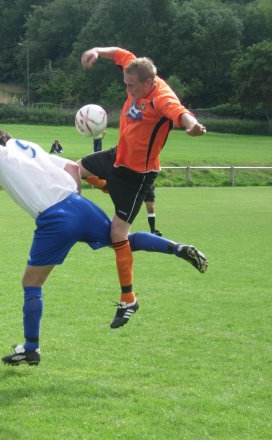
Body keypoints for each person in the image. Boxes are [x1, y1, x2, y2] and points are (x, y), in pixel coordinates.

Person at [0, 114, 208, 366]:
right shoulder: (32, 148)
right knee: (120, 240)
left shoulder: (0, 152)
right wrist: (75, 191)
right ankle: (176, 247)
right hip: (77, 205)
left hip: (54, 219)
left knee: (31, 284)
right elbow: (72, 167)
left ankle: (31, 348)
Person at [77, 46, 207, 323]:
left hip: (137, 177)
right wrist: (98, 51)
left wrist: (192, 126)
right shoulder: (136, 70)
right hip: (117, 156)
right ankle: (108, 188)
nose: (128, 89)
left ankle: (128, 299)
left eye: (132, 86)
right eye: (126, 84)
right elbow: (122, 53)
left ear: (148, 82)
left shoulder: (161, 97)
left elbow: (180, 113)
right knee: (74, 170)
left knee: (117, 235)